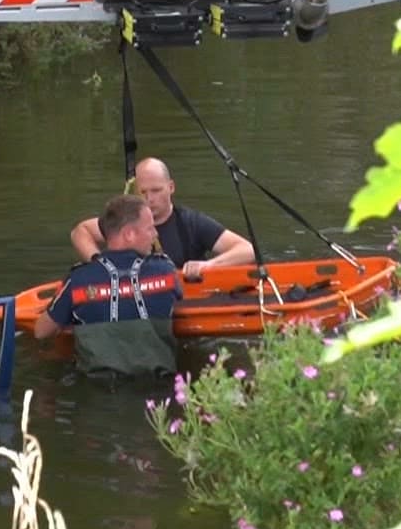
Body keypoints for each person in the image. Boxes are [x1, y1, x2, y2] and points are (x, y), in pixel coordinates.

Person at [36, 194, 181, 377]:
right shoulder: (165, 271)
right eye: (150, 229)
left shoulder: (79, 281)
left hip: (99, 392)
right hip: (156, 392)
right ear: (129, 234)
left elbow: (41, 332)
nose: (155, 234)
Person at [68, 157, 256, 277]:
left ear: (171, 187)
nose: (149, 199)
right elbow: (80, 232)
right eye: (143, 192)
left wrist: (208, 266)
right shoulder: (122, 221)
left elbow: (248, 250)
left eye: (157, 190)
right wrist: (100, 264)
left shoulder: (191, 223)